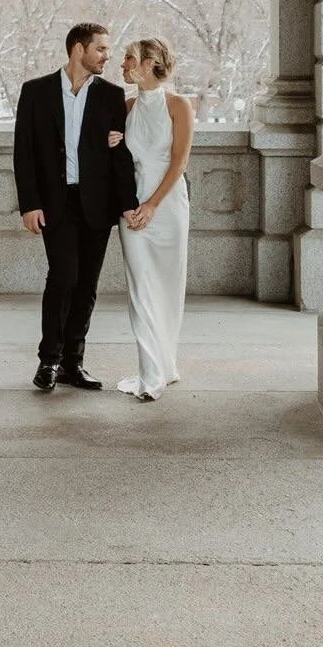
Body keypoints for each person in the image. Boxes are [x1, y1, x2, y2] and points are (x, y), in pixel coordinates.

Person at [12, 22, 138, 392]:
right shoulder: (35, 92)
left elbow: (120, 159)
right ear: (78, 49)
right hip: (56, 203)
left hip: (97, 204)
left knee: (86, 286)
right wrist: (29, 204)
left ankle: (73, 363)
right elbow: (24, 153)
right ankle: (48, 360)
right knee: (63, 278)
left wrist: (128, 205)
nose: (106, 56)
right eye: (100, 49)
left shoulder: (111, 95)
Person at [117, 38, 193, 401]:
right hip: (131, 209)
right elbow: (112, 160)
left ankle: (165, 364)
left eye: (128, 58)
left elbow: (179, 162)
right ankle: (150, 375)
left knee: (167, 287)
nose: (122, 65)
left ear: (148, 63)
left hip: (168, 207)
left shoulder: (180, 105)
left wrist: (152, 205)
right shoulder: (126, 107)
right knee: (139, 289)